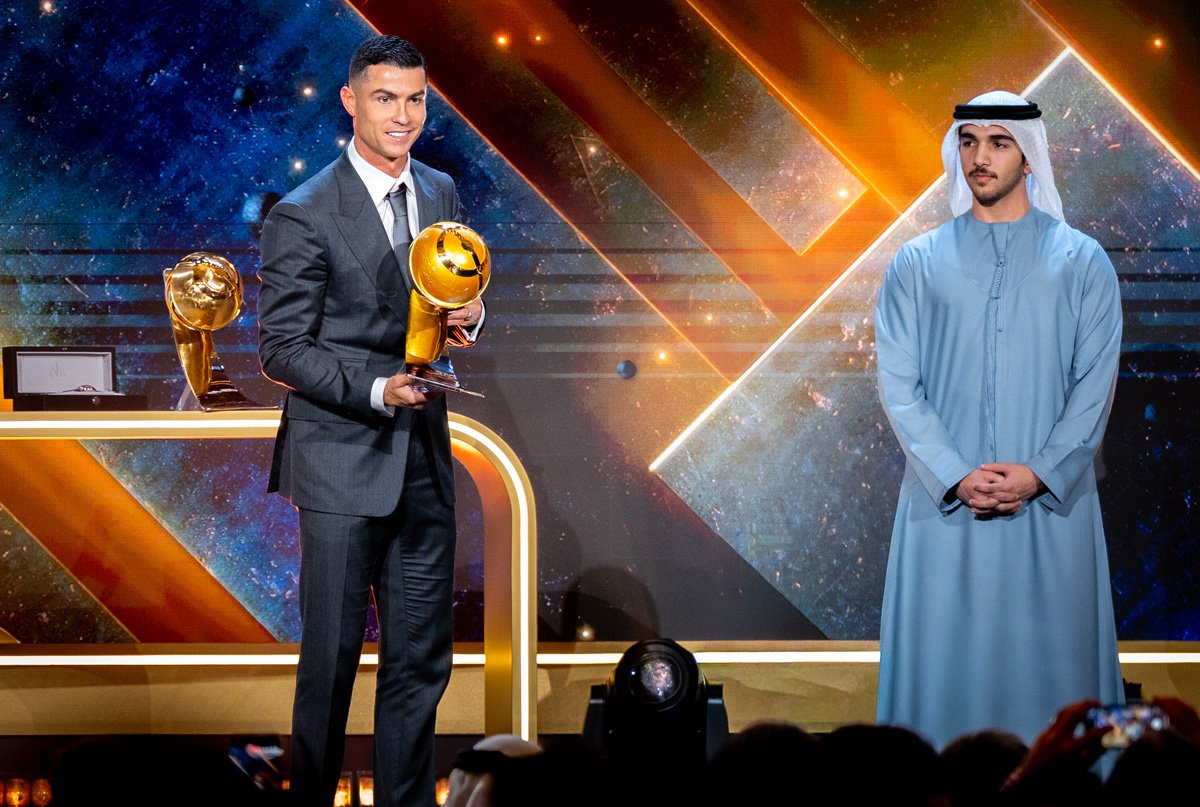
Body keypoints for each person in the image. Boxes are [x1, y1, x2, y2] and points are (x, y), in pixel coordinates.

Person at [258, 35, 485, 807]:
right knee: (329, 663)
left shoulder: (441, 190)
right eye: (386, 98)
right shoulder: (303, 212)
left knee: (420, 662)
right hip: (340, 463)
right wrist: (376, 388)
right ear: (351, 101)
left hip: (422, 460)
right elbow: (282, 349)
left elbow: (445, 294)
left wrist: (470, 316)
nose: (403, 115)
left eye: (415, 99)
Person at [874, 90, 1124, 749]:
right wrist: (956, 475)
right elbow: (899, 386)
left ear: (1030, 155)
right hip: (941, 512)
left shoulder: (1083, 263)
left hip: (1053, 512)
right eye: (968, 141)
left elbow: (1094, 388)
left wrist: (1039, 473)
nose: (979, 157)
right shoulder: (915, 263)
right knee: (935, 703)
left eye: (998, 142)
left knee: (1056, 709)